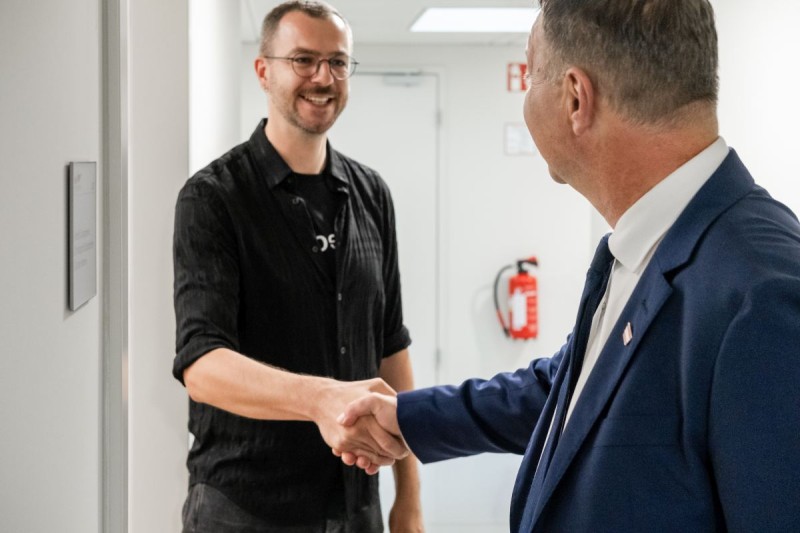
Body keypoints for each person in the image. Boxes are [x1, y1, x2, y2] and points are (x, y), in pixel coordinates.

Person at [337, 0, 800, 531]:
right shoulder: (646, 246)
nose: (525, 96)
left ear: (576, 98)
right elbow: (572, 393)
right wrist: (408, 417)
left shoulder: (763, 295)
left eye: (531, 75)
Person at [172, 1, 423, 531]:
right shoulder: (213, 197)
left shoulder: (371, 193)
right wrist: (321, 400)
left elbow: (390, 347)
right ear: (264, 71)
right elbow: (203, 366)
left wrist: (410, 497)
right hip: (246, 506)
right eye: (303, 60)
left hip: (357, 502)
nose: (322, 78)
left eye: (337, 62)